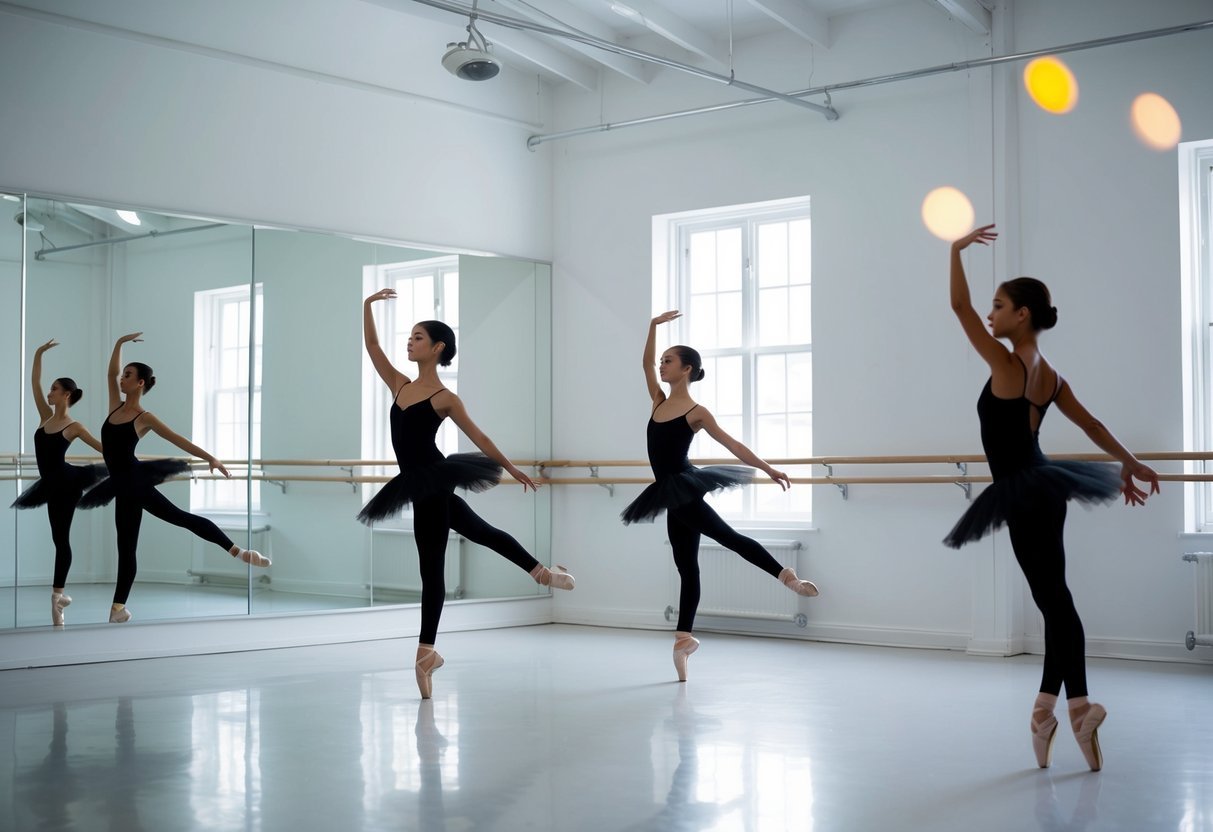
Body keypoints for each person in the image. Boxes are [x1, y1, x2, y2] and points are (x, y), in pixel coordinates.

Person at [943, 224, 1160, 771]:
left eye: (1000, 306)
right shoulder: (1049, 374)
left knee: (1054, 603)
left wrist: (954, 251)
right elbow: (1091, 423)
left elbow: (958, 307)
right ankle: (1045, 711)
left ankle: (1080, 705)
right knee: (1054, 600)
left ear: (1022, 315)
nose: (990, 314)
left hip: (1021, 491)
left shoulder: (1007, 364)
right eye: (992, 307)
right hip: (1047, 488)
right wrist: (1129, 461)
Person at [360, 289, 574, 699]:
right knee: (481, 532)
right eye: (409, 336)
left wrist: (512, 469)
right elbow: (372, 346)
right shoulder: (400, 386)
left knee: (433, 569)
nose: (409, 342)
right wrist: (367, 306)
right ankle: (541, 573)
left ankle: (426, 651)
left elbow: (480, 435)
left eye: (418, 337)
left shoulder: (444, 398)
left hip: (433, 481)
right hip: (420, 483)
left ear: (438, 348)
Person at [624, 311, 819, 682]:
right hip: (670, 491)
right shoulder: (657, 400)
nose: (662, 365)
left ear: (687, 369)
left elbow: (732, 444)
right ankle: (683, 640)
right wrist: (650, 325)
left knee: (727, 537)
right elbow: (644, 363)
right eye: (662, 360)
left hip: (683, 486)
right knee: (687, 567)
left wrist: (767, 467)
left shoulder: (697, 412)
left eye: (669, 361)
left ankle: (785, 574)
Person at [80, 333, 269, 623]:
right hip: (121, 484)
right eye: (123, 375)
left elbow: (178, 439)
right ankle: (118, 609)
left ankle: (238, 551)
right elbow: (109, 372)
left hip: (135, 480)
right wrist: (118, 343)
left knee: (180, 518)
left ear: (140, 383)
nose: (122, 379)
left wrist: (210, 458)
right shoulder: (115, 407)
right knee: (126, 546)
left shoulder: (144, 417)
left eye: (128, 375)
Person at [11, 339, 105, 625]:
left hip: (68, 483)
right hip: (51, 484)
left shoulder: (74, 426)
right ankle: (58, 599)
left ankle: (57, 595)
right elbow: (34, 381)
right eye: (50, 388)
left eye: (55, 389)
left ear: (67, 395)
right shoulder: (44, 417)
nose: (49, 393)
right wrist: (38, 353)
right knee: (58, 539)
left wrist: (127, 455)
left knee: (62, 540)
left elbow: (103, 448)